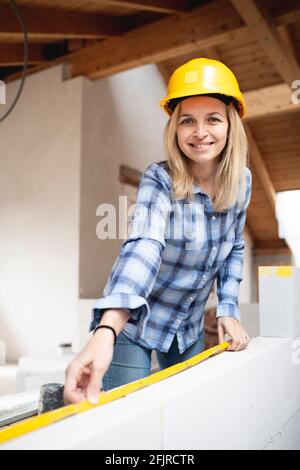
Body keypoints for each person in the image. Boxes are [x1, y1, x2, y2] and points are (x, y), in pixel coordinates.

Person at [64, 58, 252, 405]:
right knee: (124, 418)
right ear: (174, 128)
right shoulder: (159, 180)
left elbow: (234, 248)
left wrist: (227, 307)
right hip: (134, 323)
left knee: (183, 412)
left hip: (188, 327)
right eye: (187, 121)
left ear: (231, 125)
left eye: (212, 119)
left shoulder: (243, 183)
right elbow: (144, 247)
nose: (199, 132)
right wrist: (107, 331)